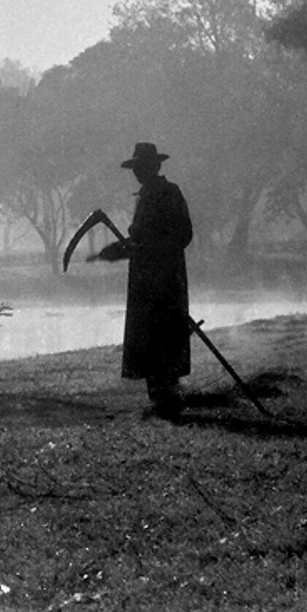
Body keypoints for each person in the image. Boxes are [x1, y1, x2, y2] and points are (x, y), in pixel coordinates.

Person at [96, 143, 193, 418]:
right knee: (149, 336)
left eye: (143, 167)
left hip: (165, 278)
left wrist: (151, 249)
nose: (138, 172)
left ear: (156, 167)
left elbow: (183, 234)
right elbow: (138, 241)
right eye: (136, 168)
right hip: (144, 279)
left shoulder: (169, 193)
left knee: (165, 334)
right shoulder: (145, 196)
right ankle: (159, 398)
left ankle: (168, 398)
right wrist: (118, 250)